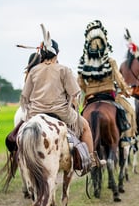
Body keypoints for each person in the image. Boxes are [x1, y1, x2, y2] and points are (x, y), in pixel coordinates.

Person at [20, 24, 104, 169]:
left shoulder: (33, 71)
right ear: (56, 54)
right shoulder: (64, 70)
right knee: (85, 127)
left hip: (36, 113)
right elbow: (75, 94)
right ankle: (91, 160)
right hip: (61, 113)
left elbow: (24, 97)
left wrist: (29, 112)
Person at [76, 20, 133, 144]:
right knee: (129, 111)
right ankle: (126, 139)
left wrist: (88, 91)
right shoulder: (110, 61)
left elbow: (80, 82)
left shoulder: (84, 62)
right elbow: (119, 79)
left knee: (79, 119)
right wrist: (126, 91)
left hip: (91, 98)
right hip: (109, 96)